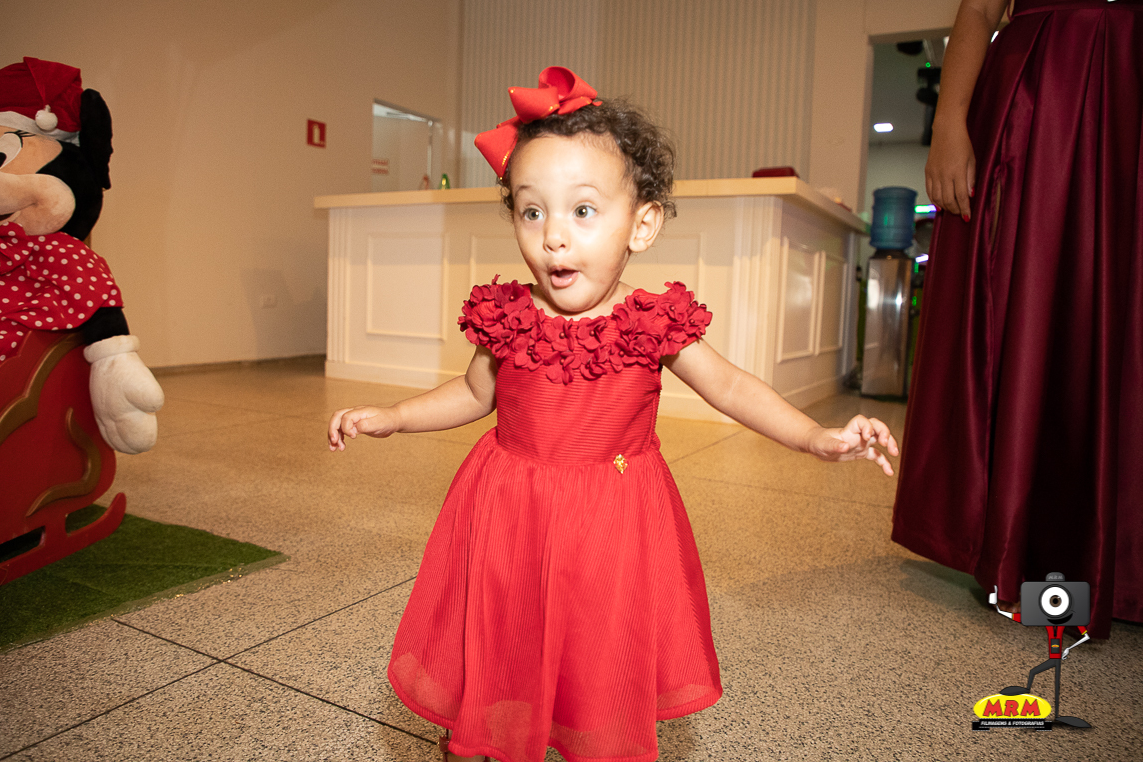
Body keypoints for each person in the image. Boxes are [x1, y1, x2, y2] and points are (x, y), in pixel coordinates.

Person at [328, 67, 898, 762]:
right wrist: (396, 414)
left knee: (596, 643)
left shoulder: (651, 322)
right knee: (508, 629)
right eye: (532, 212)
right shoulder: (507, 315)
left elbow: (731, 387)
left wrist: (815, 436)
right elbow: (474, 394)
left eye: (583, 211)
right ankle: (493, 730)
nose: (553, 238)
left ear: (642, 224)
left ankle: (585, 729)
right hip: (509, 512)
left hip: (613, 523)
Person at [893, 0, 1143, 639]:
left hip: (1130, 74)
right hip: (1058, 78)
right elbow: (980, 6)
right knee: (1052, 307)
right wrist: (949, 123)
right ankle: (1043, 565)